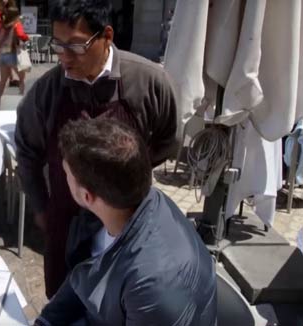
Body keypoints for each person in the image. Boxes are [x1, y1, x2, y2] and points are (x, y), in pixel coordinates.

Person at [15, 0, 177, 298]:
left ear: (107, 36)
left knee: (123, 298)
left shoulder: (148, 81)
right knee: (66, 301)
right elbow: (26, 152)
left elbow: (166, 140)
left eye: (75, 46)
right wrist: (41, 208)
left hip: (129, 221)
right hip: (65, 219)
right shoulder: (47, 91)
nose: (64, 56)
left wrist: (124, 180)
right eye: (58, 44)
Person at [34, 118, 216, 325]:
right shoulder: (124, 200)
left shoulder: (154, 287)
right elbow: (84, 275)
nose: (62, 179)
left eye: (66, 173)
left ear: (87, 196)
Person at [0, 6, 28, 108]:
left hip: (2, 54)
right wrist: (27, 38)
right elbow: (21, 35)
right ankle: (22, 102)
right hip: (12, 53)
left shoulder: (3, 25)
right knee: (22, 79)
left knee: (3, 80)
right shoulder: (16, 24)